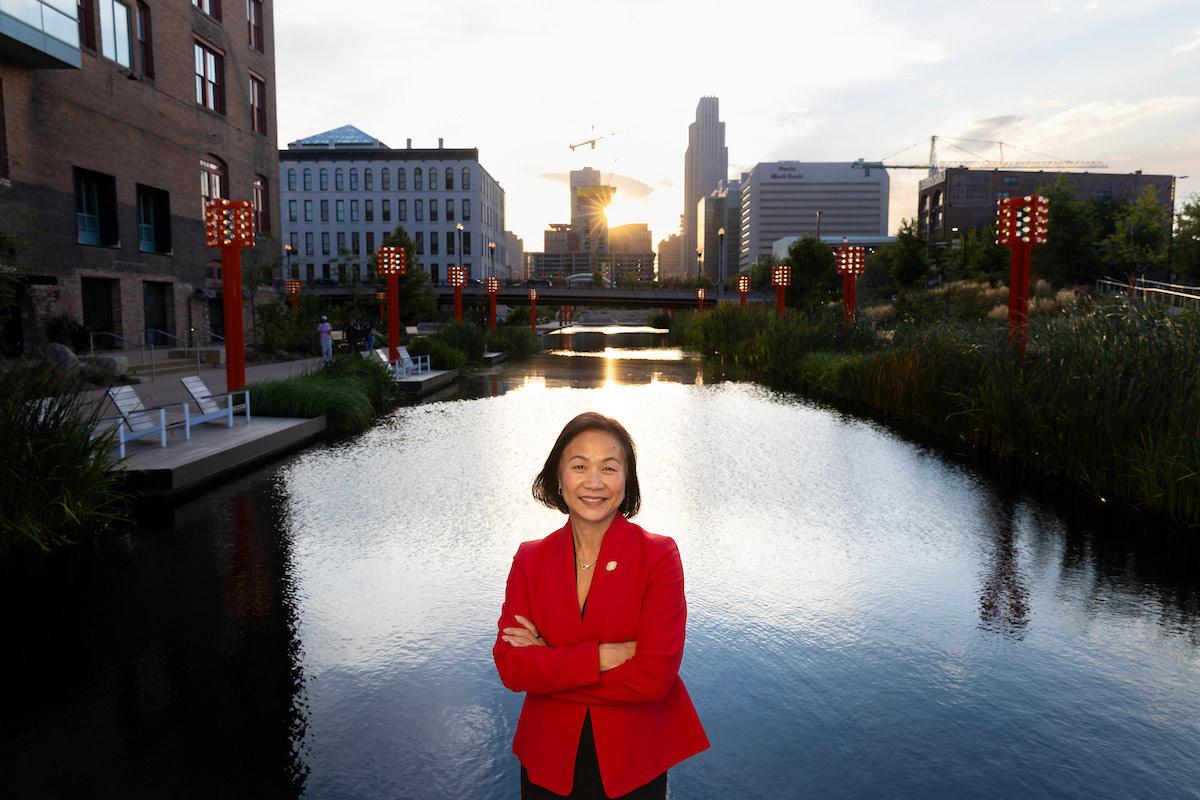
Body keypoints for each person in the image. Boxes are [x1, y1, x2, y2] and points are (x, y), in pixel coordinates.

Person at [494, 412, 708, 799]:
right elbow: (512, 667)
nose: (594, 482)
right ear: (558, 478)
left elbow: (655, 677)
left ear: (627, 481)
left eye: (609, 468)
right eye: (579, 466)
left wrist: (551, 668)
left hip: (632, 766)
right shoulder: (530, 559)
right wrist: (604, 657)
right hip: (547, 764)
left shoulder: (658, 556)